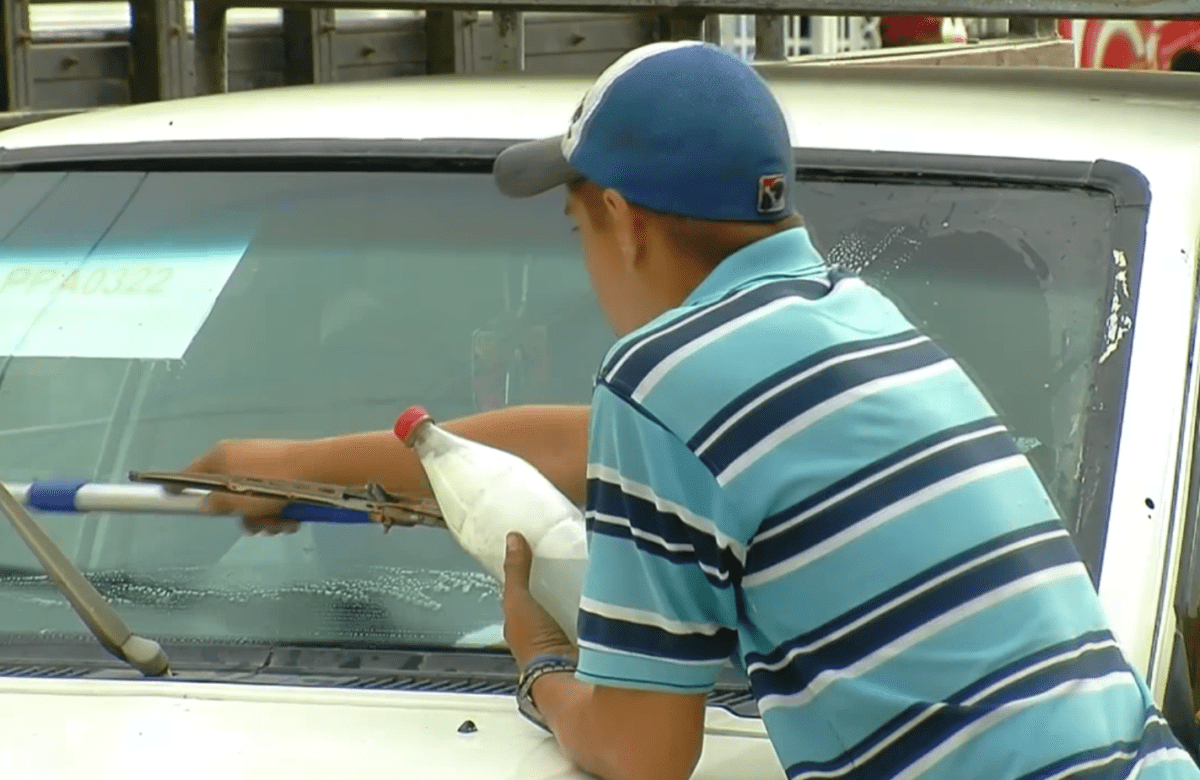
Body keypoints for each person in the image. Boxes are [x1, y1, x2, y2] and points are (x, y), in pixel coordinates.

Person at [182, 41, 1200, 780]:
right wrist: (304, 462)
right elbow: (572, 447)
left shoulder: (660, 378)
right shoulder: (848, 319)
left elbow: (642, 751)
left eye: (575, 225)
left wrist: (538, 664)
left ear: (621, 222)